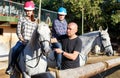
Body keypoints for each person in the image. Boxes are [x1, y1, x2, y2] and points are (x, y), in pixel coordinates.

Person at [5, 1, 38, 75]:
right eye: (27, 10)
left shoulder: (35, 21)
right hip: (22, 41)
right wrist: (22, 39)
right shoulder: (21, 19)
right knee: (15, 49)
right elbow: (18, 31)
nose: (28, 12)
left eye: (29, 10)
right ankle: (11, 67)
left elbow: (36, 34)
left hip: (32, 43)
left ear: (32, 11)